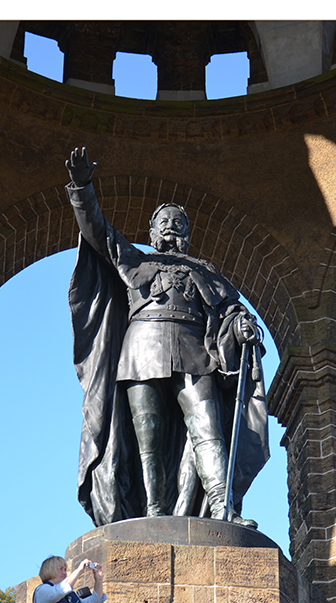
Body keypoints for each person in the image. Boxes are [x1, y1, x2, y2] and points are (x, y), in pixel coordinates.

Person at [65, 146, 270, 529]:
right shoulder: (135, 261)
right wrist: (82, 187)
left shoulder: (206, 271)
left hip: (197, 354)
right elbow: (97, 230)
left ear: (189, 235)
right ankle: (154, 514)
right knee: (149, 441)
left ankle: (223, 509)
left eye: (179, 222)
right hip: (142, 352)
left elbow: (230, 309)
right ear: (152, 233)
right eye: (165, 222)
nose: (172, 227)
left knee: (208, 431)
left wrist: (241, 325)